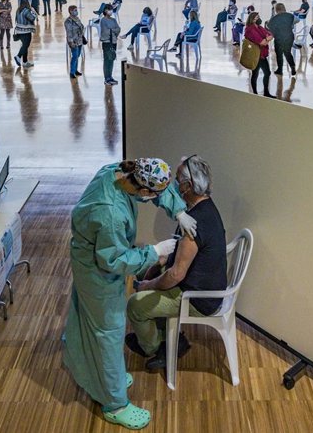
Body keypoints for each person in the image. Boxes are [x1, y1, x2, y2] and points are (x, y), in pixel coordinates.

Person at [63, 158, 197, 430]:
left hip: (88, 256)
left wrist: (178, 210)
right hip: (97, 272)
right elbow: (113, 260)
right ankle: (115, 404)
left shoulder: (116, 171)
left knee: (89, 319)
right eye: (154, 196)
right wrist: (154, 252)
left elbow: (159, 183)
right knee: (109, 333)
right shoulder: (109, 213)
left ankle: (97, 373)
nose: (155, 199)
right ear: (144, 192)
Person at [126, 155, 227, 370]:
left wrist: (147, 286)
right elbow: (175, 255)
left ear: (187, 186)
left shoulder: (195, 224)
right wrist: (155, 265)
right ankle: (164, 333)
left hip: (197, 299)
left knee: (134, 305)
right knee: (144, 268)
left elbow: (175, 275)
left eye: (177, 180)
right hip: (197, 282)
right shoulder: (204, 208)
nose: (173, 185)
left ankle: (155, 347)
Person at [244, 11, 275, 98]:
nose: (259, 19)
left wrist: (266, 38)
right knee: (256, 74)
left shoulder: (259, 27)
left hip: (262, 54)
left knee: (266, 73)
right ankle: (255, 94)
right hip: (256, 55)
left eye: (259, 17)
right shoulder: (250, 29)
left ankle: (265, 92)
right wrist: (266, 38)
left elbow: (271, 35)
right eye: (257, 18)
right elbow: (262, 42)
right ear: (252, 19)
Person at [266, 3, 296, 77]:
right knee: (287, 52)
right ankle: (293, 67)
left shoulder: (274, 18)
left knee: (279, 54)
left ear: (276, 9)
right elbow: (295, 21)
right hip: (289, 37)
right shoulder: (290, 15)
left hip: (279, 38)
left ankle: (280, 70)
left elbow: (269, 27)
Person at [99, 3, 120, 85]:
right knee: (107, 60)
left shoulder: (113, 20)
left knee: (112, 59)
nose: (111, 11)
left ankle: (110, 77)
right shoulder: (103, 20)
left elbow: (118, 29)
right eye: (109, 9)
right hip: (107, 42)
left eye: (111, 9)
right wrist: (113, 30)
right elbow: (105, 31)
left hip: (114, 42)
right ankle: (106, 78)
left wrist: (113, 31)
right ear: (105, 11)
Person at [14, 0, 36, 68]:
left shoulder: (18, 10)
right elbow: (32, 18)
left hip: (19, 31)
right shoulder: (26, 11)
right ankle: (18, 56)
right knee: (25, 46)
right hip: (26, 31)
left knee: (24, 46)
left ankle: (25, 62)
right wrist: (33, 11)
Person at [65, 5, 84, 79]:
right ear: (70, 11)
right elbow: (69, 32)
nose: (76, 11)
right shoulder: (68, 21)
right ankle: (72, 72)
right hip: (73, 41)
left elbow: (81, 27)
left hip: (79, 40)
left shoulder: (77, 19)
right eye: (75, 10)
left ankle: (76, 70)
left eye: (76, 10)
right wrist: (71, 42)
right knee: (75, 56)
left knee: (77, 56)